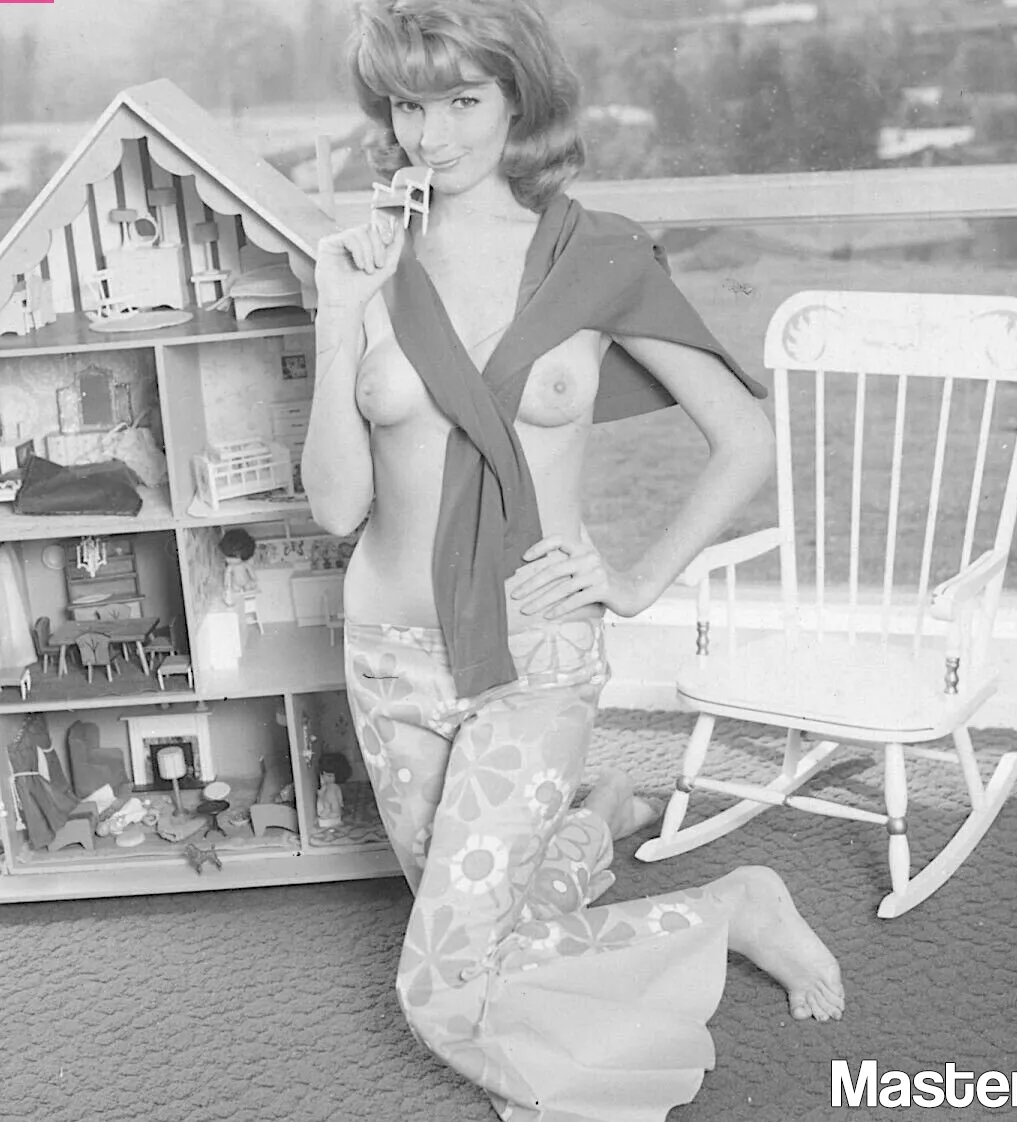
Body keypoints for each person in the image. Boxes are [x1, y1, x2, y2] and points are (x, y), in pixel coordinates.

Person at [301, 2, 845, 1118]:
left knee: (443, 981)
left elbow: (746, 439)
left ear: (519, 99)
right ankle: (594, 824)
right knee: (487, 926)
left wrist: (635, 583)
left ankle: (730, 907)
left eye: (462, 100)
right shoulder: (369, 262)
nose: (430, 135)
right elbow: (338, 505)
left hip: (534, 654)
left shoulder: (599, 255)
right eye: (407, 105)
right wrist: (335, 317)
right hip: (388, 655)